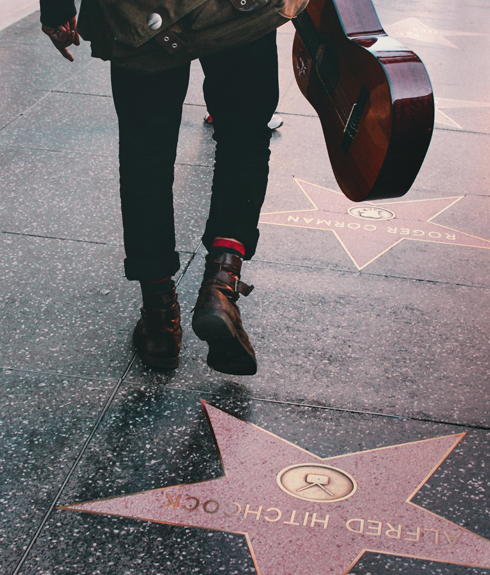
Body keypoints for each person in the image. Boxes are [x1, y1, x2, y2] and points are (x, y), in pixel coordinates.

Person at [40, 0, 280, 376]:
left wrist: (55, 11)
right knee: (244, 136)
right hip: (237, 10)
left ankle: (160, 321)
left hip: (137, 15)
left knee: (145, 152)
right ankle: (221, 284)